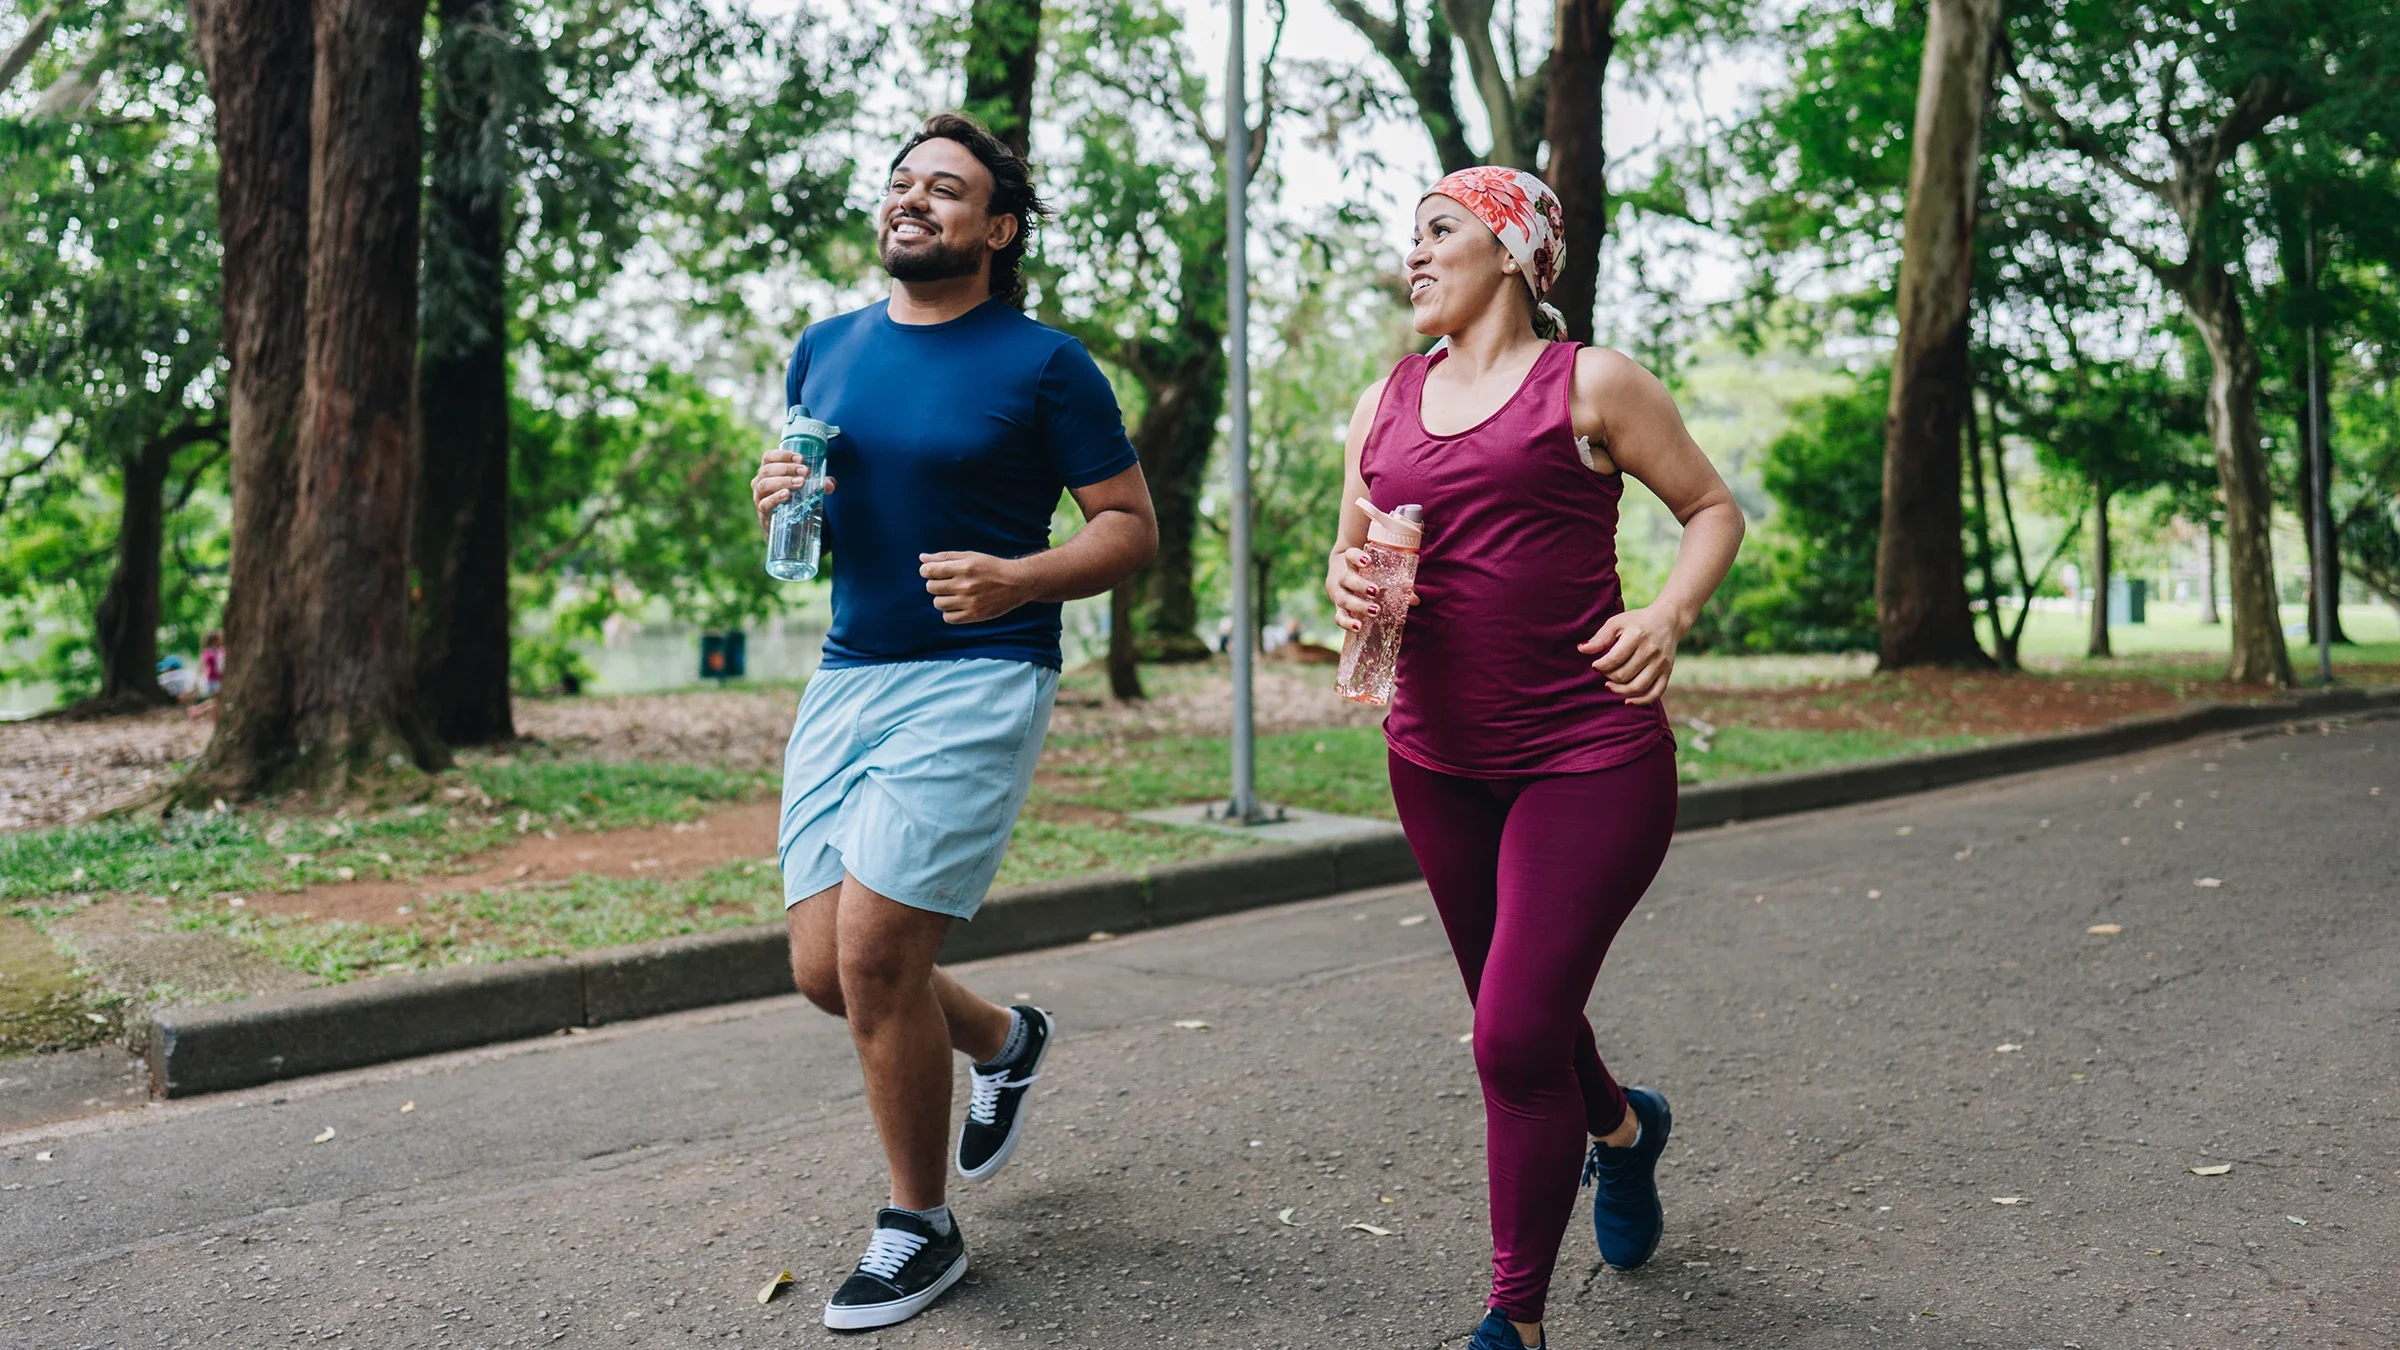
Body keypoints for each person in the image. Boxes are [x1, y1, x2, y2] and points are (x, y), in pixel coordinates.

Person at [748, 112, 1158, 1331]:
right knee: (824, 973)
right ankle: (1005, 1040)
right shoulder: (824, 349)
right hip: (851, 672)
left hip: (981, 672)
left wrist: (1019, 578)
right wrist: (783, 500)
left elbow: (1129, 527)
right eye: (902, 182)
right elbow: (829, 516)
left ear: (999, 229)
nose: (913, 198)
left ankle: (918, 1227)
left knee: (877, 960)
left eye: (945, 187)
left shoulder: (1045, 365)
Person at [1324, 167, 1744, 1350]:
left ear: (1512, 250)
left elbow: (1713, 509)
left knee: (1511, 1036)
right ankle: (1624, 1132)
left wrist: (1665, 616)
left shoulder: (1592, 383)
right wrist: (1347, 582)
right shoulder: (1383, 402)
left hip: (1589, 756)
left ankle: (1516, 1319)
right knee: (1528, 1017)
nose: (1414, 253)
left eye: (1440, 229)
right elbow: (1349, 555)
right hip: (1436, 761)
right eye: (1411, 234)